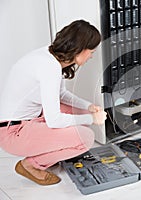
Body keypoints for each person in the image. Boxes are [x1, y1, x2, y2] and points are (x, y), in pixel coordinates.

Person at [0, 20, 107, 185]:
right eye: (91, 51)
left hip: (27, 121)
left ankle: (52, 149)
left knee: (83, 114)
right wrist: (92, 120)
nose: (91, 56)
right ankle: (30, 165)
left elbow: (61, 94)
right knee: (85, 137)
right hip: (12, 133)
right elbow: (54, 120)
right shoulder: (49, 67)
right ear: (80, 49)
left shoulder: (48, 56)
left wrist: (88, 107)